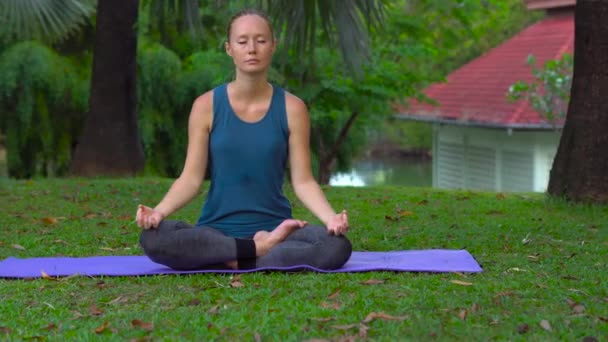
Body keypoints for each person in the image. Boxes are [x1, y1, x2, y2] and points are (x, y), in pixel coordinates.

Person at [136, 8, 352, 271]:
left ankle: (236, 257)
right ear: (229, 49)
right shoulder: (206, 106)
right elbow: (190, 179)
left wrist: (331, 219)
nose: (252, 48)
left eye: (261, 40)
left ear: (273, 46)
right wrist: (158, 212)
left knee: (336, 247)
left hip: (278, 230)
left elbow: (303, 181)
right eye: (242, 41)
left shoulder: (292, 108)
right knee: (153, 238)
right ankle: (257, 251)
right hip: (216, 233)